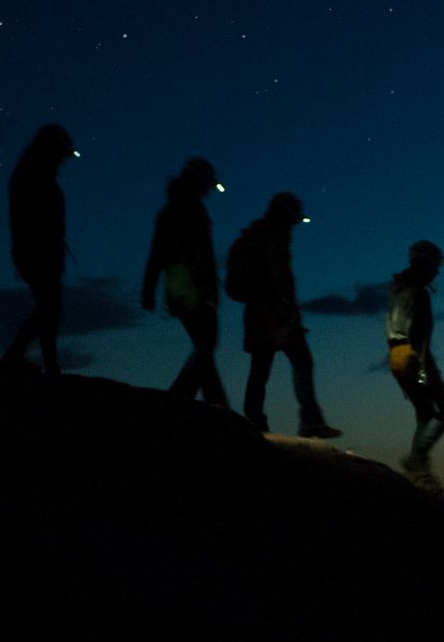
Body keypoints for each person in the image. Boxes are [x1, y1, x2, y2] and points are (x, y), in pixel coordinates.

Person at [233, 192, 341, 438]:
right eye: (294, 218)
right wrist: (289, 310)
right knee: (299, 362)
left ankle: (256, 421)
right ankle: (308, 421)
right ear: (286, 214)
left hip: (259, 312)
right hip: (275, 313)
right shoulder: (274, 235)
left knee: (261, 368)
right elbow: (279, 275)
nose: (295, 223)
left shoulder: (256, 234)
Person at [139, 157, 228, 406]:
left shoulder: (171, 209)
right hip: (192, 284)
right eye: (208, 185)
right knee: (206, 343)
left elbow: (157, 252)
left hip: (177, 285)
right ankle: (181, 394)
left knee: (204, 345)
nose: (208, 190)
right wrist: (208, 283)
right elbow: (198, 252)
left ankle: (216, 402)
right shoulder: (190, 209)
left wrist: (149, 288)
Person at [0, 123, 78, 375]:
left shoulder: (33, 173)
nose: (62, 160)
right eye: (60, 154)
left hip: (40, 251)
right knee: (49, 306)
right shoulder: (33, 175)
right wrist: (40, 246)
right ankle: (40, 362)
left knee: (48, 306)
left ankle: (30, 358)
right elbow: (28, 219)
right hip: (38, 252)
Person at [385, 240, 444, 483]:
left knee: (425, 413)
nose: (437, 273)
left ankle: (417, 464)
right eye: (435, 267)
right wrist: (423, 368)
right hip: (414, 356)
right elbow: (418, 334)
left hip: (396, 357)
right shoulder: (419, 293)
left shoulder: (398, 289)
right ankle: (417, 458)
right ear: (426, 265)